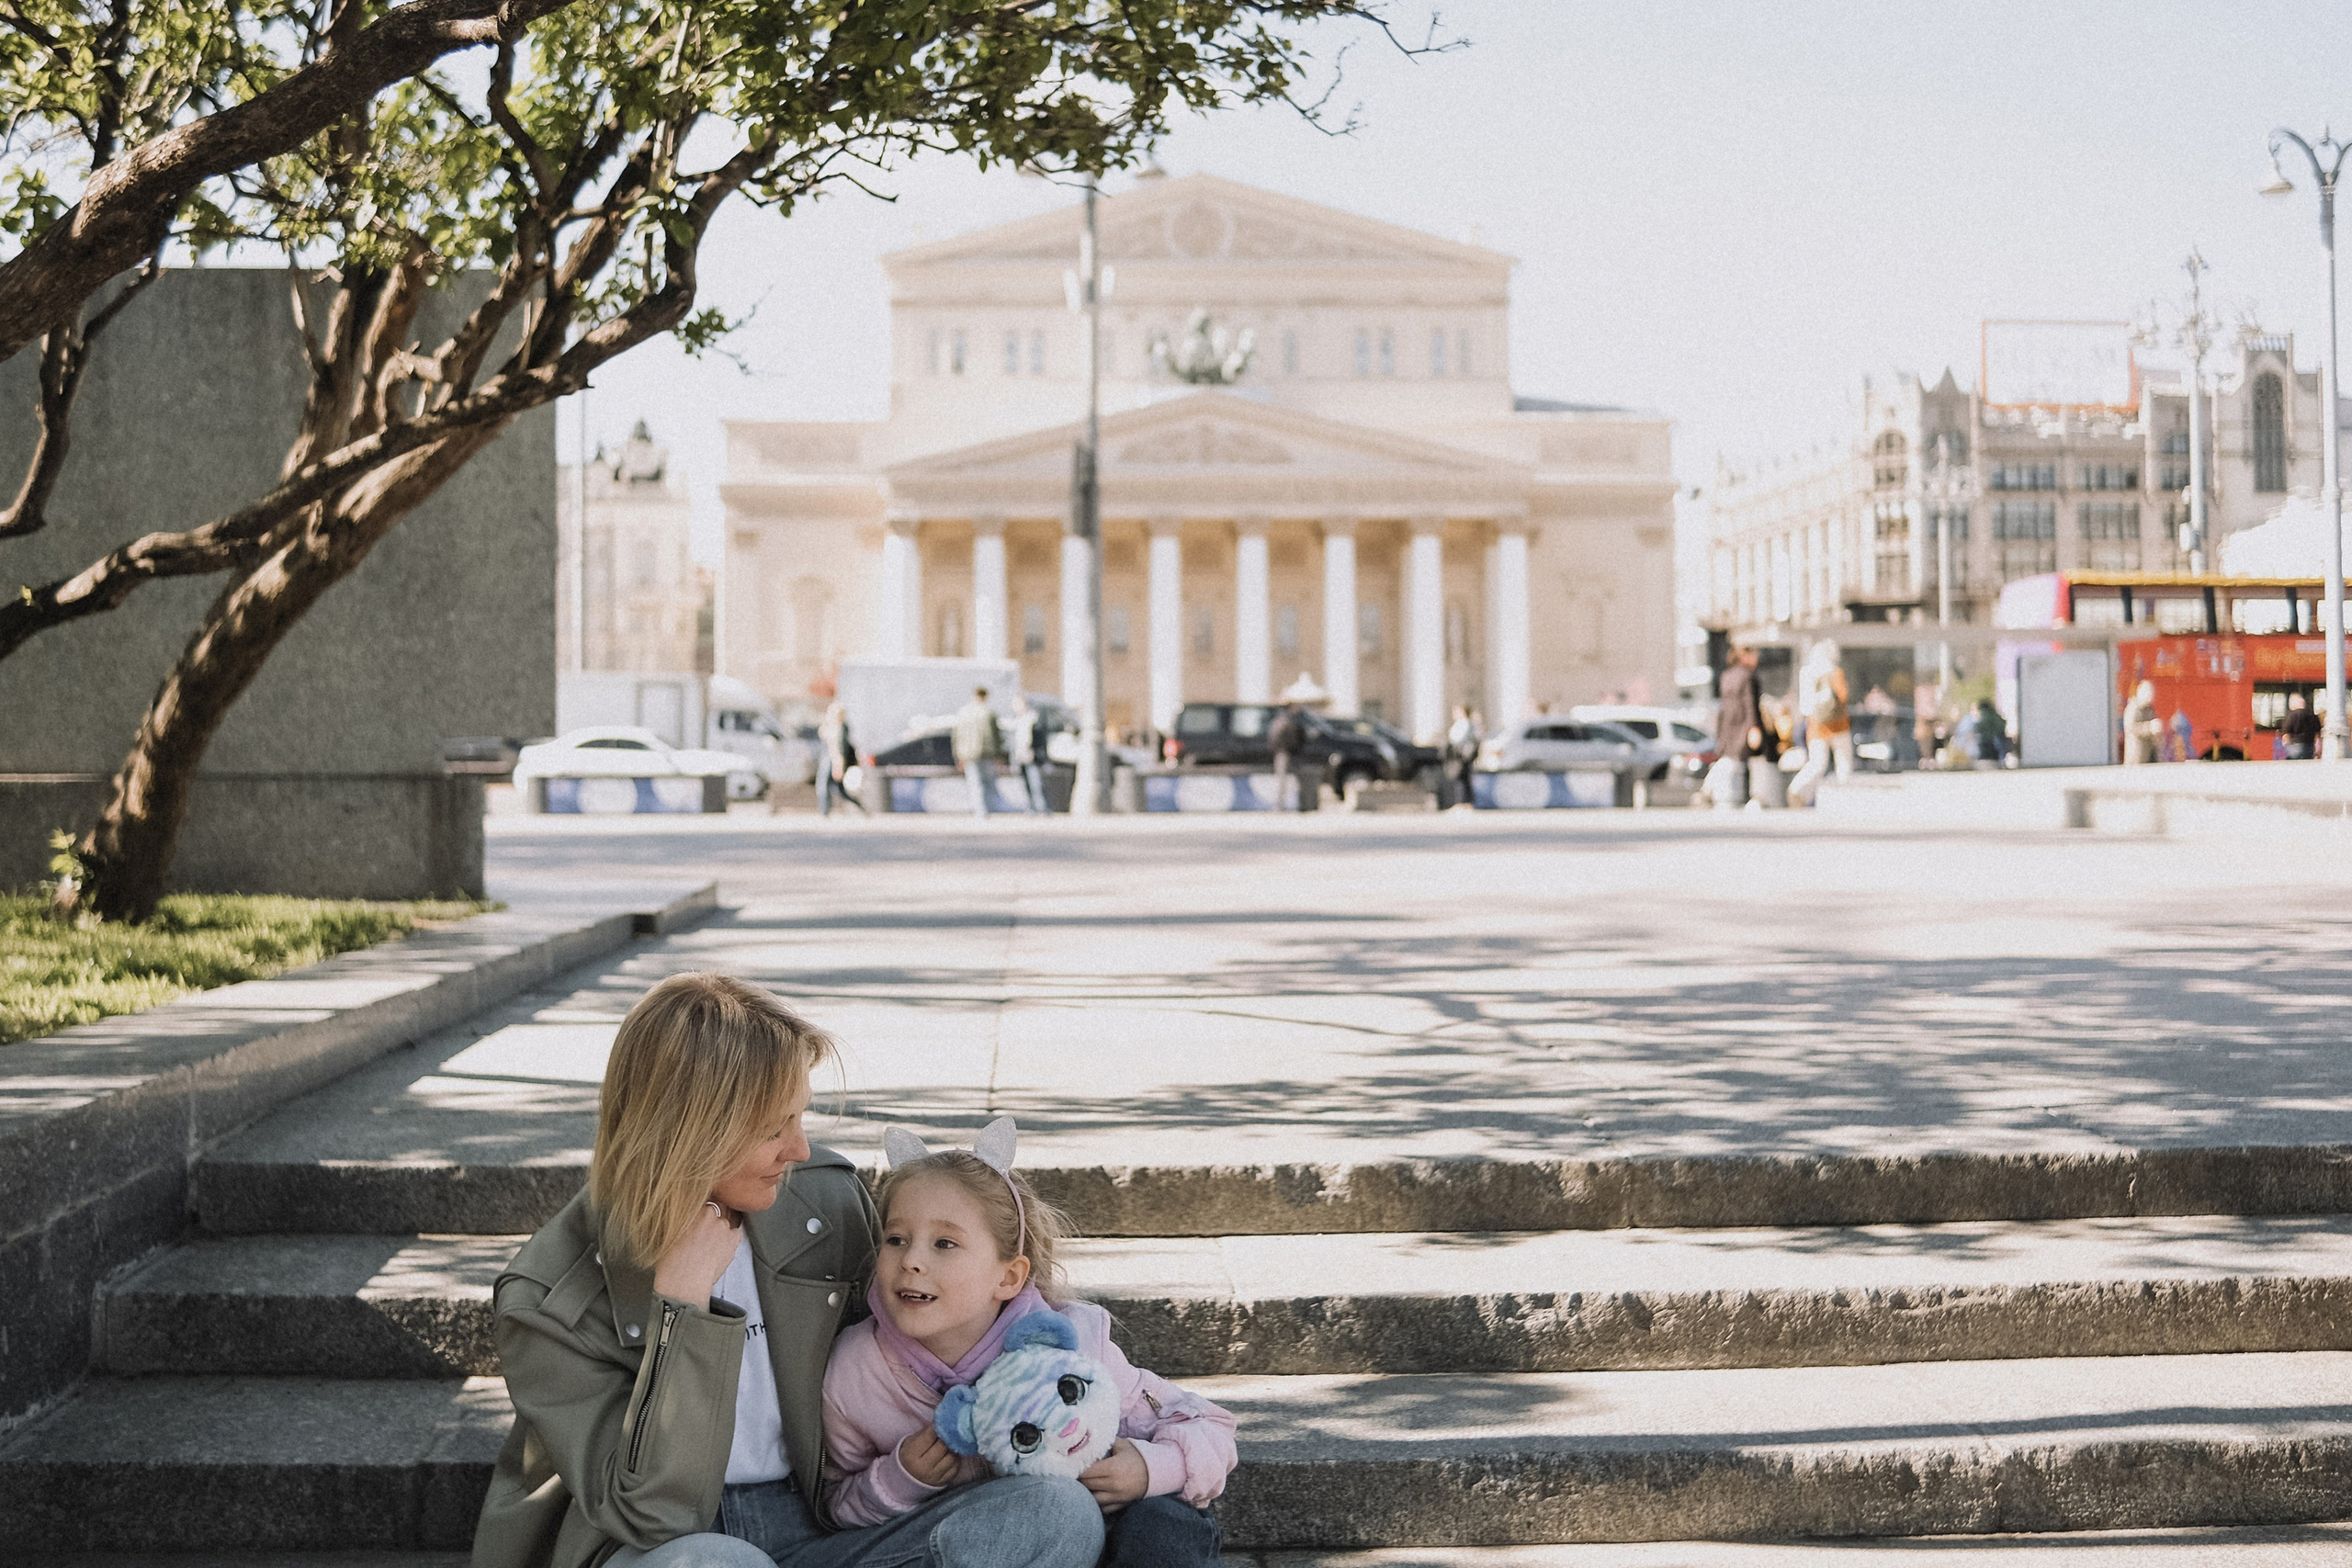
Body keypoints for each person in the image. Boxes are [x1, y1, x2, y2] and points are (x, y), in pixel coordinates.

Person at [472, 974, 1109, 1568]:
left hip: (827, 1530)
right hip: (665, 1547)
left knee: (1053, 1512)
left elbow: (929, 1349)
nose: (800, 1148)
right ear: (691, 1132)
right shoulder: (549, 1299)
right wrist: (683, 1309)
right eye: (775, 1127)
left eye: (799, 1116)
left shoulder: (822, 1202)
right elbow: (654, 1515)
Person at [822, 1122, 1235, 1568]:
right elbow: (833, 1505)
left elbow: (1210, 1425)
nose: (912, 1260)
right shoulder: (856, 1371)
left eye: (944, 1243)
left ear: (1009, 1277)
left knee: (1163, 1524)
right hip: (999, 1543)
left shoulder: (1072, 1344)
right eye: (896, 1238)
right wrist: (899, 1479)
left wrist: (1150, 1469)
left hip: (1117, 1539)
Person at [1788, 642, 1852, 806]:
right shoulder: (1835, 672)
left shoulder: (1807, 672)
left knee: (1817, 763)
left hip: (1815, 725)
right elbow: (1843, 696)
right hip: (1838, 725)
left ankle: (1798, 790)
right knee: (1843, 761)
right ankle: (1843, 797)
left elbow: (1804, 705)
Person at [1707, 647, 1761, 807]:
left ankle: (1710, 789)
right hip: (1743, 723)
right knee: (1741, 762)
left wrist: (1719, 731)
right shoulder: (1747, 676)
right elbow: (1750, 703)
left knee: (1728, 758)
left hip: (1727, 725)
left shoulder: (1726, 676)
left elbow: (1722, 707)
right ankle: (1743, 796)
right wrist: (1754, 726)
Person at [952, 688, 1003, 819]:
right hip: (987, 753)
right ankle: (988, 810)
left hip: (969, 754)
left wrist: (958, 756)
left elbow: (956, 736)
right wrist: (999, 754)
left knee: (975, 783)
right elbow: (997, 736)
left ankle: (980, 812)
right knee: (988, 782)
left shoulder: (963, 713)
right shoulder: (989, 713)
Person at [819, 702, 866, 817]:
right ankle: (860, 807)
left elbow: (839, 747)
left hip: (833, 760)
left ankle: (824, 812)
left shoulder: (841, 728)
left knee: (823, 786)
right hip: (827, 759)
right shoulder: (830, 725)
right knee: (839, 789)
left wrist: (838, 764)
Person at [1008, 695, 1048, 816]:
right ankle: (1031, 808)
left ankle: (1042, 808)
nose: (1016, 707)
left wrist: (1037, 753)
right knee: (1025, 784)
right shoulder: (1016, 720)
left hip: (1031, 755)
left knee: (1036, 783)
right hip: (1020, 755)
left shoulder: (1033, 719)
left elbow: (1039, 739)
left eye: (1018, 704)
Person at [1266, 704, 1307, 807]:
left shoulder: (1280, 722)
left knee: (1285, 779)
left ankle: (1284, 804)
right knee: (1283, 779)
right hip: (1285, 753)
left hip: (1283, 753)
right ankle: (1281, 804)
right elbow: (1290, 739)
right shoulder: (1287, 722)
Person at [1445, 705, 1482, 808]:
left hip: (1461, 756)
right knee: (1465, 779)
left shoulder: (1464, 724)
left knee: (1460, 780)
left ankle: (1461, 803)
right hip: (1465, 756)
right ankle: (1466, 803)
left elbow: (1456, 739)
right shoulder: (1470, 724)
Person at [2121, 681, 2162, 766]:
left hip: (2149, 756)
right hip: (2136, 758)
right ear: (2140, 692)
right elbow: (2131, 727)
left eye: (2152, 693)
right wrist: (2149, 727)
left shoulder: (2150, 709)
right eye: (2148, 692)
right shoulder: (2133, 708)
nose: (2150, 696)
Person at [2281, 691, 2322, 761]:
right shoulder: (2313, 716)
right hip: (2309, 745)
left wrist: (2286, 744)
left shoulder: (2291, 716)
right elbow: (2317, 733)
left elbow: (2286, 733)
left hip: (2294, 746)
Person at [1974, 699, 2007, 767]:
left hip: (1986, 739)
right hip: (1996, 739)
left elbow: (1981, 725)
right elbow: (2002, 723)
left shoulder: (1984, 713)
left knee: (1986, 759)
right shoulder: (1994, 713)